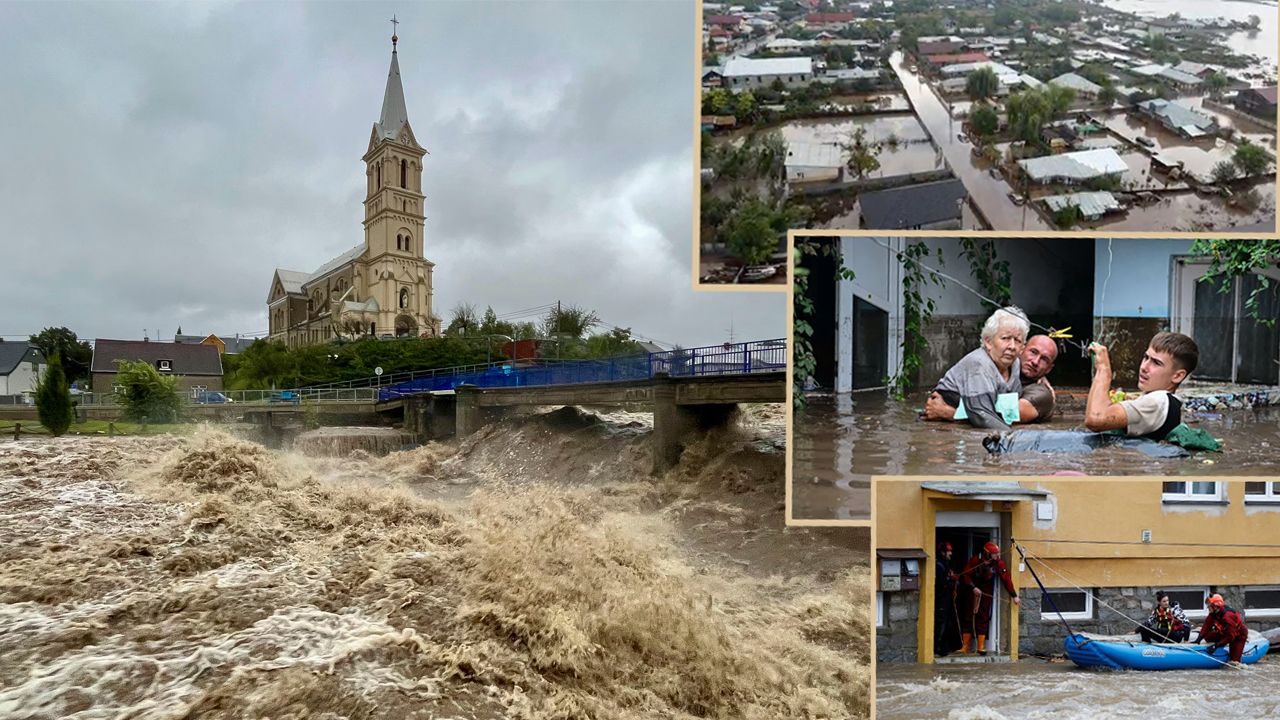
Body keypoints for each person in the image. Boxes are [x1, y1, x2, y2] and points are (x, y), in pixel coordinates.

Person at [1085, 331, 1199, 441]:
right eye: (1146, 357)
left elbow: (1096, 419)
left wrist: (1103, 369)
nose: (1144, 367)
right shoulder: (1167, 402)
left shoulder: (1158, 400)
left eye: (1156, 363)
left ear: (1178, 376)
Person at [929, 307, 1028, 430]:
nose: (1012, 346)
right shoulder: (979, 363)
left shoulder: (1016, 364)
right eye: (1005, 338)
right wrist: (1015, 439)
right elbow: (981, 415)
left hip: (963, 416)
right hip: (944, 424)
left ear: (1023, 347)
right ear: (988, 342)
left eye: (1017, 340)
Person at [926, 333, 1059, 424]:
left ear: (1049, 368)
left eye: (1044, 360)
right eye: (1033, 352)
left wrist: (949, 413)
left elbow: (1005, 417)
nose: (1035, 361)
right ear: (1021, 349)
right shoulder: (1001, 368)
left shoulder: (1042, 394)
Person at [958, 541, 1021, 655]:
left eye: (997, 553)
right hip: (972, 591)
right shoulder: (975, 560)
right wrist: (973, 587)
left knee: (983, 617)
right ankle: (965, 646)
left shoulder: (998, 563)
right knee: (968, 617)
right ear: (987, 553)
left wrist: (1014, 596)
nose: (997, 556)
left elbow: (1006, 579)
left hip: (986, 593)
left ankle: (981, 645)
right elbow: (965, 575)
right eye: (994, 554)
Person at [1198, 593, 1249, 664]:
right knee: (1207, 637)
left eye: (1209, 606)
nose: (1207, 608)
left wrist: (1217, 645)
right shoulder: (1214, 613)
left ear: (1215, 606)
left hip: (1238, 635)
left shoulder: (1228, 616)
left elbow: (1231, 636)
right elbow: (1207, 624)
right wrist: (1199, 638)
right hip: (1224, 631)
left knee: (1234, 661)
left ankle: (1235, 655)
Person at [934, 541, 962, 657]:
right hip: (941, 600)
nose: (950, 553)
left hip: (947, 600)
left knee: (948, 623)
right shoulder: (939, 566)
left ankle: (946, 646)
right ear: (942, 552)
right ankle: (938, 647)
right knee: (941, 624)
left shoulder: (946, 564)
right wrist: (951, 580)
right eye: (948, 551)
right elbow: (941, 583)